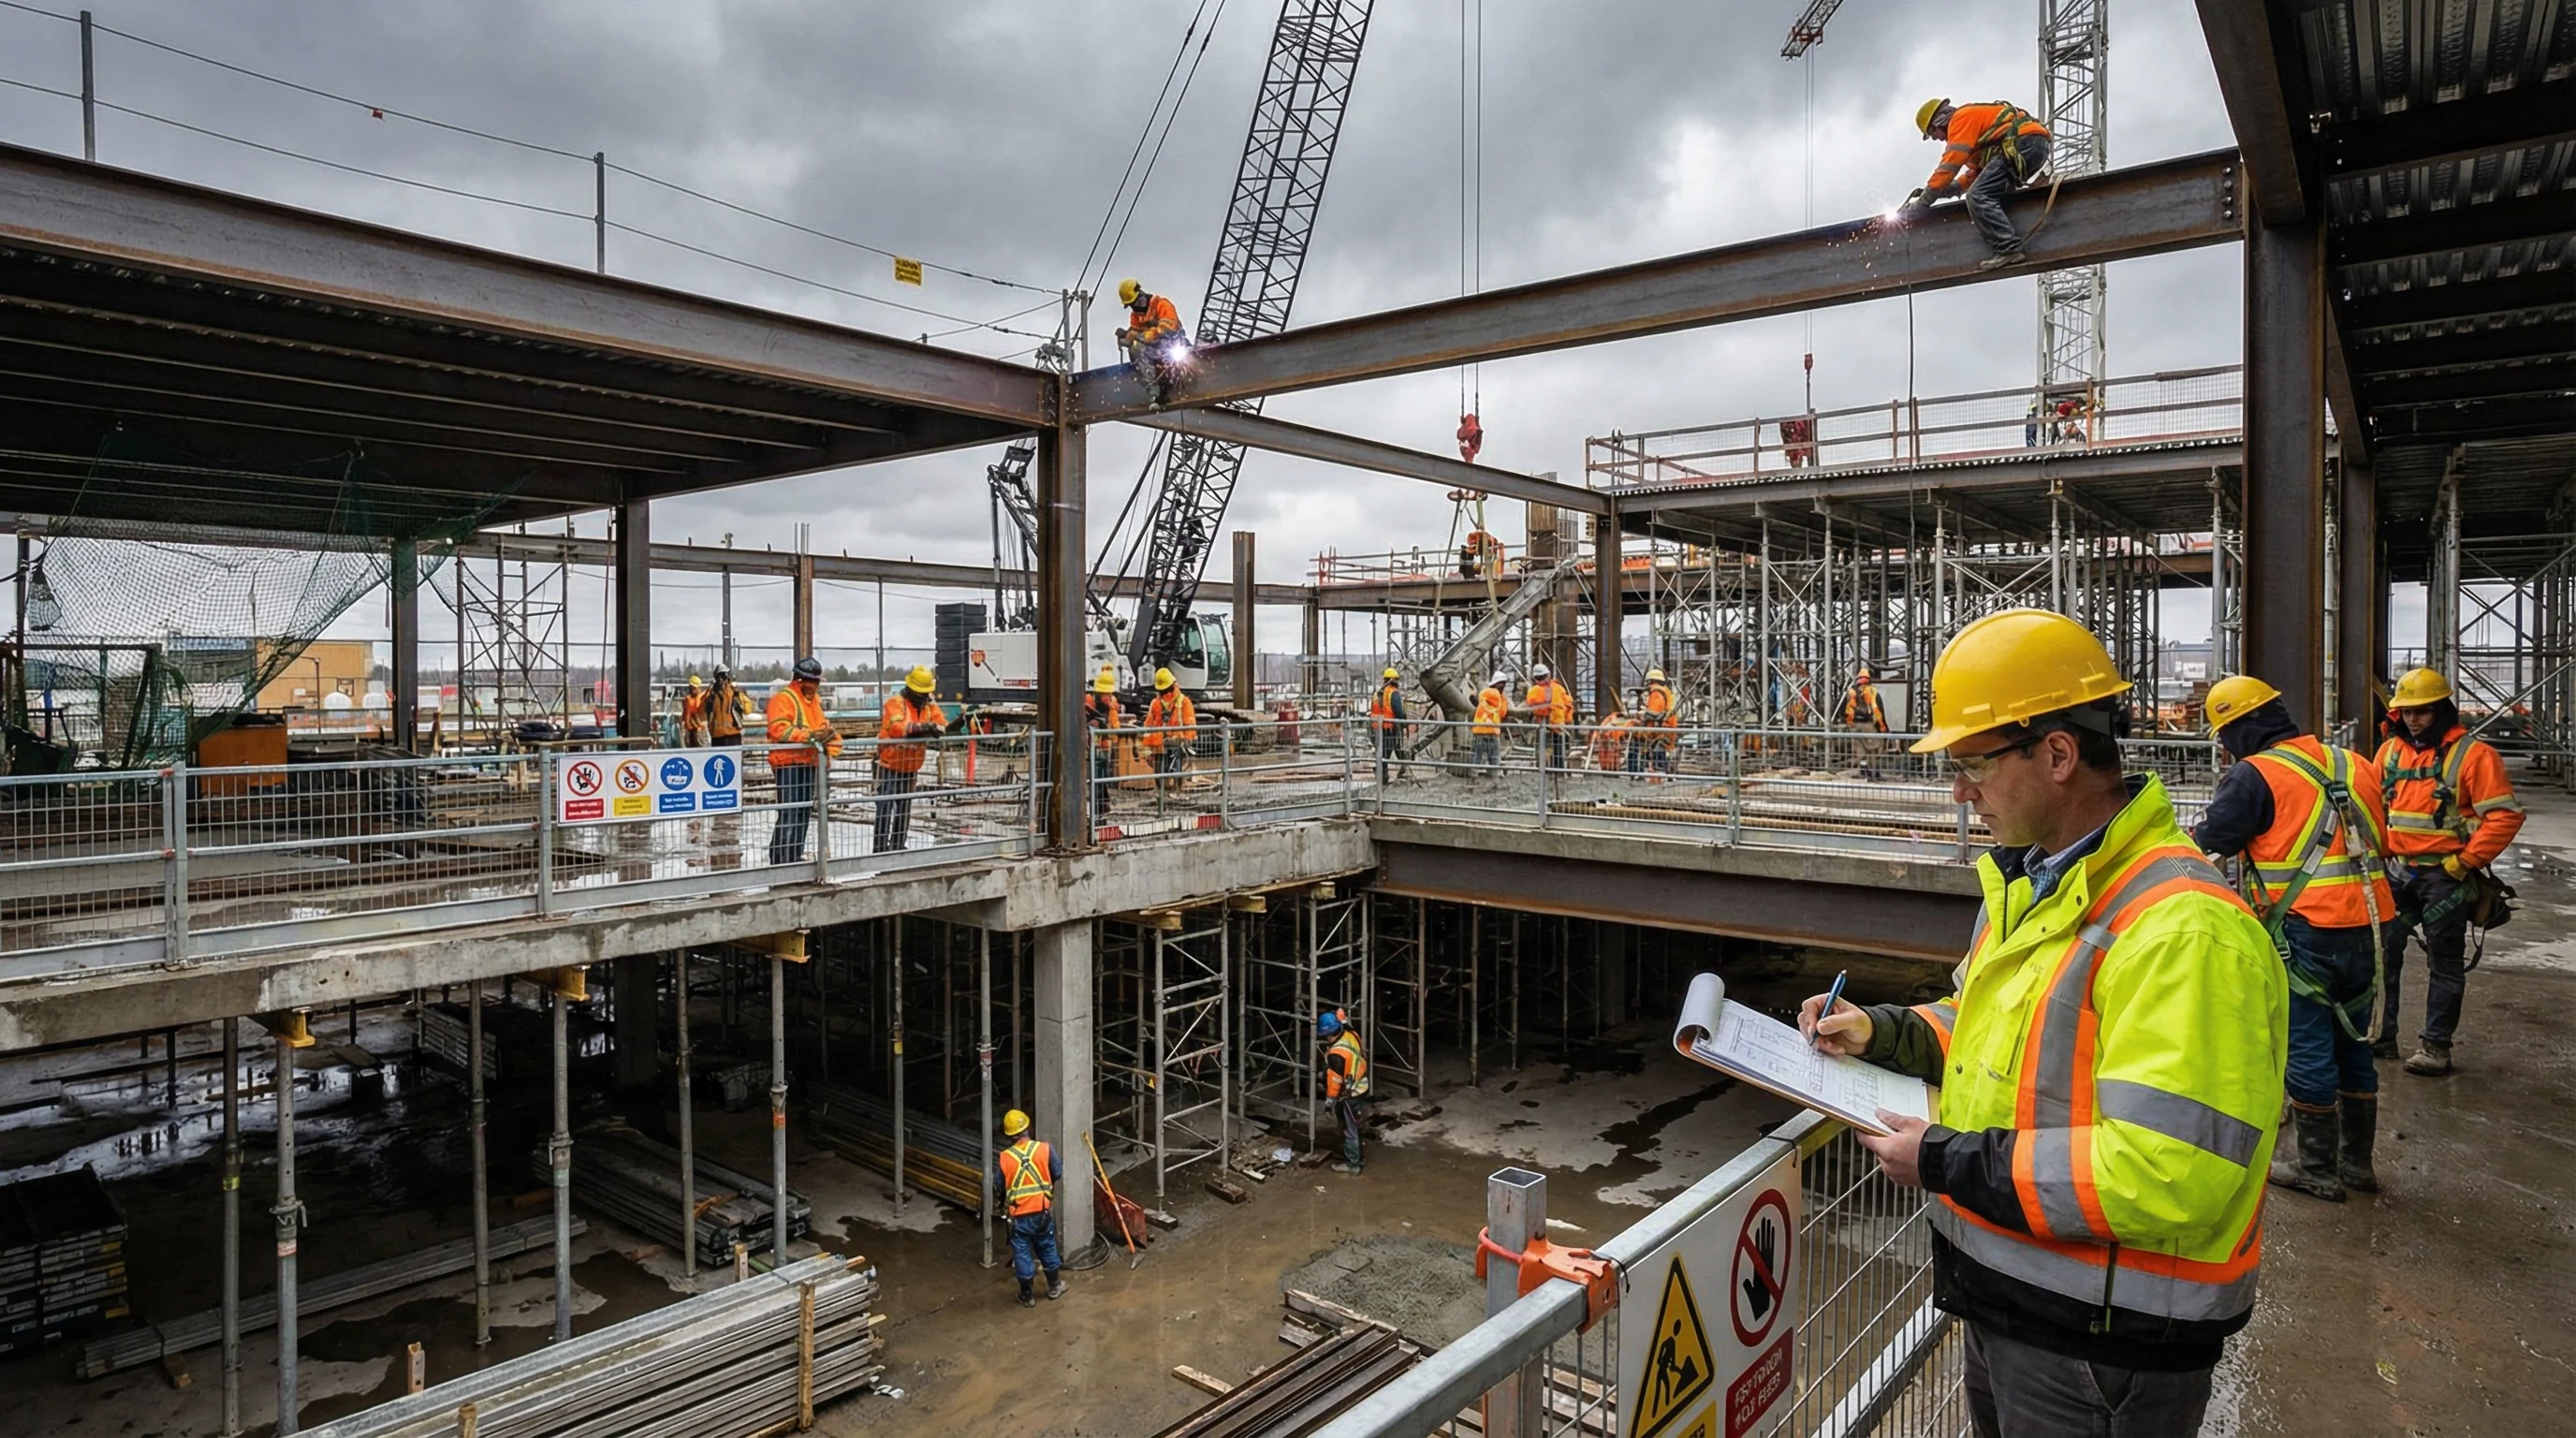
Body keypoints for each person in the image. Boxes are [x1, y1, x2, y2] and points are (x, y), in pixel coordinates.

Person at [1802, 608, 2284, 1438]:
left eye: (1974, 764)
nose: (1959, 791)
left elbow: (2168, 1171)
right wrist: (1881, 1030)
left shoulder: (2181, 930)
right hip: (2021, 1309)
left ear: (2057, 754)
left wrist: (1944, 1159)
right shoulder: (2040, 888)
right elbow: (1994, 1034)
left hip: (2102, 1350)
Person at [2190, 675, 2393, 1201]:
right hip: (2373, 926)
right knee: (2354, 1041)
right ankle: (2357, 1165)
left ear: (2239, 729)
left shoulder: (2255, 775)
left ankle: (2317, 1168)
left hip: (2307, 928)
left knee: (2305, 1043)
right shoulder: (2355, 763)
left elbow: (2209, 842)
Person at [2374, 667, 2525, 1076]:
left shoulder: (2475, 756)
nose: (2413, 719)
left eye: (2422, 712)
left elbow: (2505, 817)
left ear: (2441, 709)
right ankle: (2381, 1036)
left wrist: (2465, 863)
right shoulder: (2389, 753)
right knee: (2381, 956)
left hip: (2446, 876)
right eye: (2407, 712)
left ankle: (2435, 1047)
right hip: (2399, 872)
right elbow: (2376, 809)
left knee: (2444, 961)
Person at [1901, 98, 2053, 269]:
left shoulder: (1961, 119)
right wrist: (1937, 192)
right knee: (1989, 193)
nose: (1936, 139)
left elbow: (1949, 165)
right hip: (2030, 146)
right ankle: (2008, 240)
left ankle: (2009, 249)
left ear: (1939, 121)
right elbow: (1974, 176)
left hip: (2024, 143)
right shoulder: (1973, 133)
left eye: (1933, 133)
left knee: (1978, 196)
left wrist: (1924, 202)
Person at [765, 656, 842, 865]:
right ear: (800, 680)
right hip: (788, 763)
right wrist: (809, 736)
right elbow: (779, 728)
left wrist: (830, 746)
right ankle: (783, 860)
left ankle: (792, 856)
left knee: (802, 812)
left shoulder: (813, 701)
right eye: (813, 682)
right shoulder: (784, 699)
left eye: (817, 682)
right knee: (790, 812)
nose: (816, 686)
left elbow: (822, 727)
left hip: (808, 763)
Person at [993, 1109, 1065, 1308]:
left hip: (1019, 1216)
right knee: (1047, 1246)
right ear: (1027, 1128)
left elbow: (999, 1185)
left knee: (1022, 1253)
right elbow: (1057, 1172)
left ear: (1009, 1135)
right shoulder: (1044, 1149)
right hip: (1042, 1211)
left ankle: (1027, 1296)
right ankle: (1054, 1287)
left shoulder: (1005, 1157)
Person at [873, 666, 946, 854]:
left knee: (904, 808)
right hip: (890, 764)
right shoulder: (895, 703)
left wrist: (933, 728)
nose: (924, 697)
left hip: (911, 765)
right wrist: (924, 728)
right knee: (885, 808)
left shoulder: (929, 706)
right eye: (921, 693)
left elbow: (941, 724)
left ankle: (898, 845)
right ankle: (880, 848)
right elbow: (898, 728)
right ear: (912, 690)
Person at [1115, 278, 1188, 406]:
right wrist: (1127, 336)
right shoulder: (1135, 315)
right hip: (1153, 348)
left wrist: (1145, 336)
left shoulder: (1162, 304)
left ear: (1141, 295)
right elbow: (1136, 331)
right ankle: (1153, 389)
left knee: (1139, 347)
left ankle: (1166, 384)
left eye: (1135, 303)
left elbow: (1169, 327)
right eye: (1131, 305)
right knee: (1134, 349)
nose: (1135, 307)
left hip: (1172, 343)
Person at [1317, 1008, 1370, 1175]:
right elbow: (1346, 1023)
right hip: (1361, 1086)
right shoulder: (1351, 1034)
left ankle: (1353, 1165)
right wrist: (1341, 1016)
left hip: (1349, 1094)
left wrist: (1329, 1103)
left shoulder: (1335, 1054)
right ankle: (1358, 1157)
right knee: (1354, 1124)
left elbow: (1334, 1083)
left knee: (1349, 1129)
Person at [1142, 667, 1197, 792]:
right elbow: (1191, 725)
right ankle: (1173, 793)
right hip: (1166, 744)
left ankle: (1167, 795)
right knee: (1171, 773)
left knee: (1164, 774)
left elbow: (1147, 727)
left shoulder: (1159, 703)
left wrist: (1146, 750)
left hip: (1170, 744)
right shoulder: (1183, 701)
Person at [1085, 667, 1124, 820]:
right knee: (1095, 779)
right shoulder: (1088, 701)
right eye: (1104, 694)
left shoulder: (1112, 704)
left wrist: (1106, 732)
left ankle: (1101, 807)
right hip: (1091, 747)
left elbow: (1114, 726)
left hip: (1103, 748)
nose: (1107, 697)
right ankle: (1099, 807)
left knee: (1100, 778)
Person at [1524, 664, 1574, 770]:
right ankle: (1547, 770)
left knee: (1556, 749)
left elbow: (1568, 704)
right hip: (1545, 724)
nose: (1542, 680)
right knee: (1546, 749)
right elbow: (1534, 707)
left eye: (1543, 677)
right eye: (1540, 677)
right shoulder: (1537, 690)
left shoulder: (1557, 689)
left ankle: (1556, 770)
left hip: (1556, 725)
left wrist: (1567, 719)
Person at [1368, 667, 1406, 785]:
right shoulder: (1393, 693)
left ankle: (1382, 772)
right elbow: (1398, 711)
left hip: (1376, 728)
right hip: (1389, 728)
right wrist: (1404, 721)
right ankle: (1391, 772)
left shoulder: (1376, 693)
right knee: (1392, 750)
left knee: (1382, 751)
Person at [1471, 674, 1510, 775]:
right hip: (1493, 731)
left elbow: (1477, 704)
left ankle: (1473, 777)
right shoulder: (1501, 699)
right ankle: (1494, 776)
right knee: (1494, 757)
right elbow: (1502, 713)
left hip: (1479, 731)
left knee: (1476, 757)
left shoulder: (1483, 695)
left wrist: (1472, 697)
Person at [705, 666, 753, 748]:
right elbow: (703, 709)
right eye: (718, 676)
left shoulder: (735, 693)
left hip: (733, 735)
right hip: (717, 737)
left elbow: (747, 710)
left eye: (723, 676)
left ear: (727, 677)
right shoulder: (711, 695)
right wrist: (709, 691)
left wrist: (742, 695)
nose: (720, 680)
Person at [1839, 667, 1888, 733]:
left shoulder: (1850, 692)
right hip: (1869, 726)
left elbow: (1842, 711)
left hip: (1853, 727)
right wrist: (1883, 728)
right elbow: (1877, 711)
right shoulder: (1873, 692)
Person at [680, 674, 710, 747]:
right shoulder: (688, 700)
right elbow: (686, 715)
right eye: (691, 687)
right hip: (690, 730)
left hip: (700, 729)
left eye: (694, 688)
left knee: (703, 750)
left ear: (698, 688)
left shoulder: (702, 697)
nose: (692, 689)